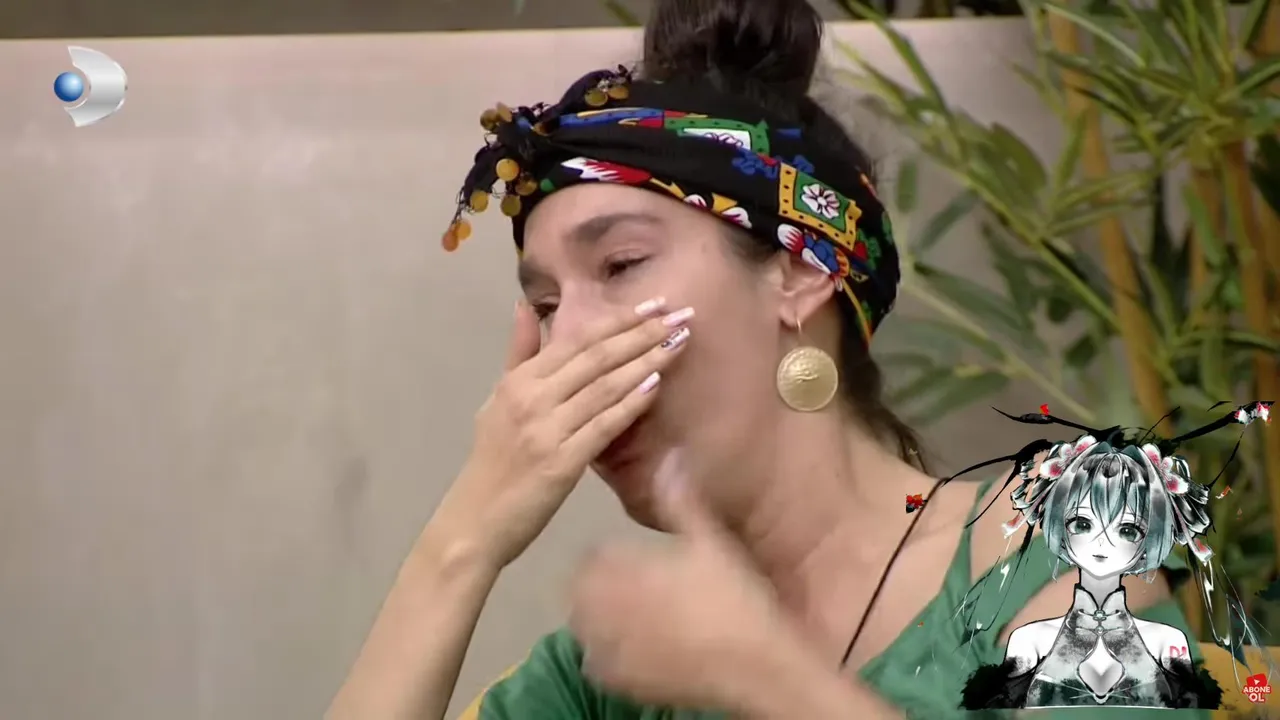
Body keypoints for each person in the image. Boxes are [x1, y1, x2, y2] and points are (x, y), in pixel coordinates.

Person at [326, 1, 1200, 717]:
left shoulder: (1062, 554)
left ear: (800, 272)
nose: (568, 345)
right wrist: (462, 542)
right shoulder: (614, 669)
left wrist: (770, 681)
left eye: (621, 266)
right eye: (546, 307)